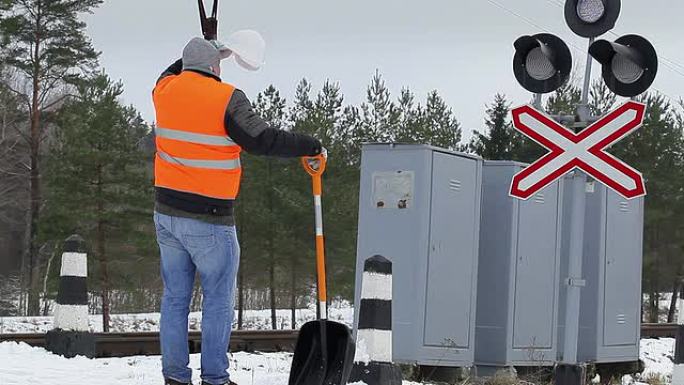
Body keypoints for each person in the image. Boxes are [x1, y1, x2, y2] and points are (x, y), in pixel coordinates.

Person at [152, 36, 324, 385]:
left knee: (174, 300)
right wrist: (311, 144)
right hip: (210, 220)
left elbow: (171, 70)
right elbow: (263, 140)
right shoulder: (227, 97)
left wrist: (209, 48)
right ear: (216, 66)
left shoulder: (164, 90)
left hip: (167, 215)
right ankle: (214, 378)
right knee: (217, 302)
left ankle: (174, 377)